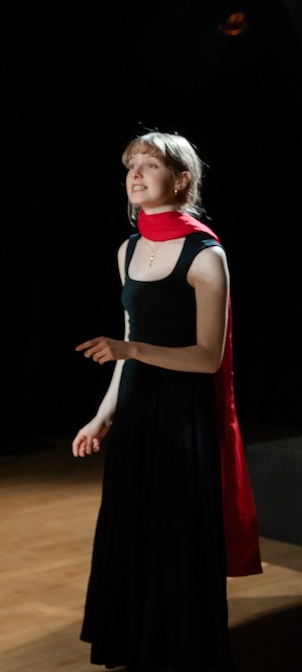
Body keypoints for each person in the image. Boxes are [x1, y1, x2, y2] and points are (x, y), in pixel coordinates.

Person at [71, 130, 262, 671]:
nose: (135, 173)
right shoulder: (127, 249)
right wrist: (103, 416)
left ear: (180, 180)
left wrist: (130, 348)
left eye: (149, 164)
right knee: (131, 529)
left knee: (175, 538)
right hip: (136, 410)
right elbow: (127, 348)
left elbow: (207, 358)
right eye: (130, 164)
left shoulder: (206, 255)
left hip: (183, 415)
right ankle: (135, 647)